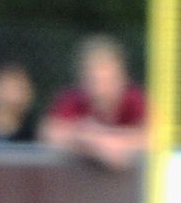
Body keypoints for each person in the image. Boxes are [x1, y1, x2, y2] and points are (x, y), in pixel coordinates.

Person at [40, 34, 147, 170]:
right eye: (95, 79)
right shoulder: (73, 99)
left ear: (122, 77)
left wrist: (117, 142)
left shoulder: (135, 99)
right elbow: (50, 132)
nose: (102, 88)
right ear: (83, 79)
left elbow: (156, 135)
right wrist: (92, 141)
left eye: (108, 79)